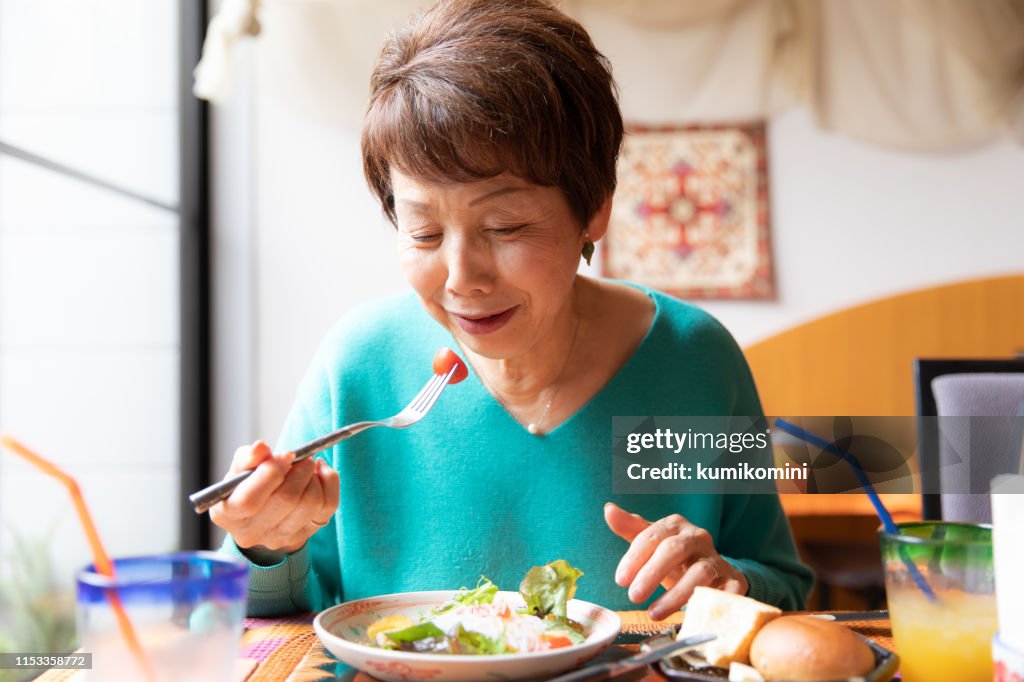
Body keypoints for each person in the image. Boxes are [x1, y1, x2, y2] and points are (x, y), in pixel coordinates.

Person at [212, 0, 812, 619]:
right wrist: (265, 545)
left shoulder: (695, 359)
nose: (462, 276)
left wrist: (725, 578)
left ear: (595, 208)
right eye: (423, 233)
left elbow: (782, 582)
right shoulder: (359, 365)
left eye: (505, 226)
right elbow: (249, 619)